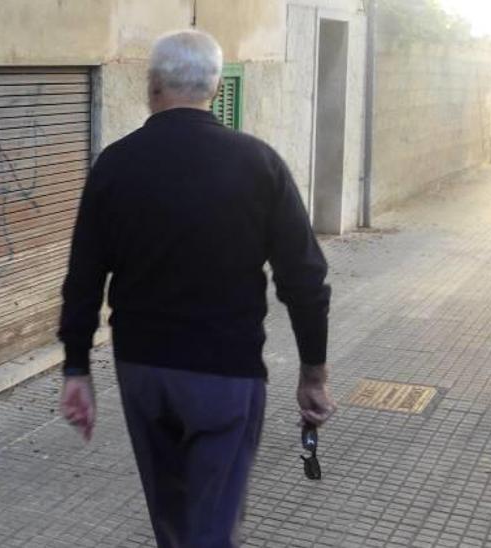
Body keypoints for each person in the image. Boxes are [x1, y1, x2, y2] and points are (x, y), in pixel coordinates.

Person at [56, 30, 337, 548]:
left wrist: (77, 369)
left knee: (171, 518)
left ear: (152, 85)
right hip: (224, 375)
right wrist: (313, 375)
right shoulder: (259, 164)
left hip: (142, 371)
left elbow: (83, 277)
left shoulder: (115, 165)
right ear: (213, 86)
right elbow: (305, 281)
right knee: (212, 528)